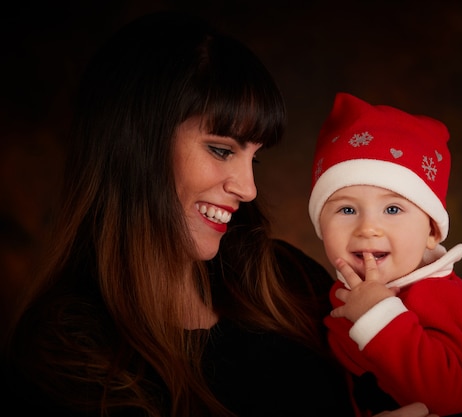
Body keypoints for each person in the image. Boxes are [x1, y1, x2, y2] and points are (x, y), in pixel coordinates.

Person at [0, 12, 438, 417]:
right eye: (221, 149)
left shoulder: (290, 281)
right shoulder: (60, 354)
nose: (247, 189)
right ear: (135, 147)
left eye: (254, 159)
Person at [308, 92, 462, 416]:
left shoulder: (443, 294)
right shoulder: (336, 295)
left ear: (432, 232)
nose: (368, 228)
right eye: (347, 209)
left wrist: (378, 314)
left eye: (393, 208)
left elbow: (446, 396)